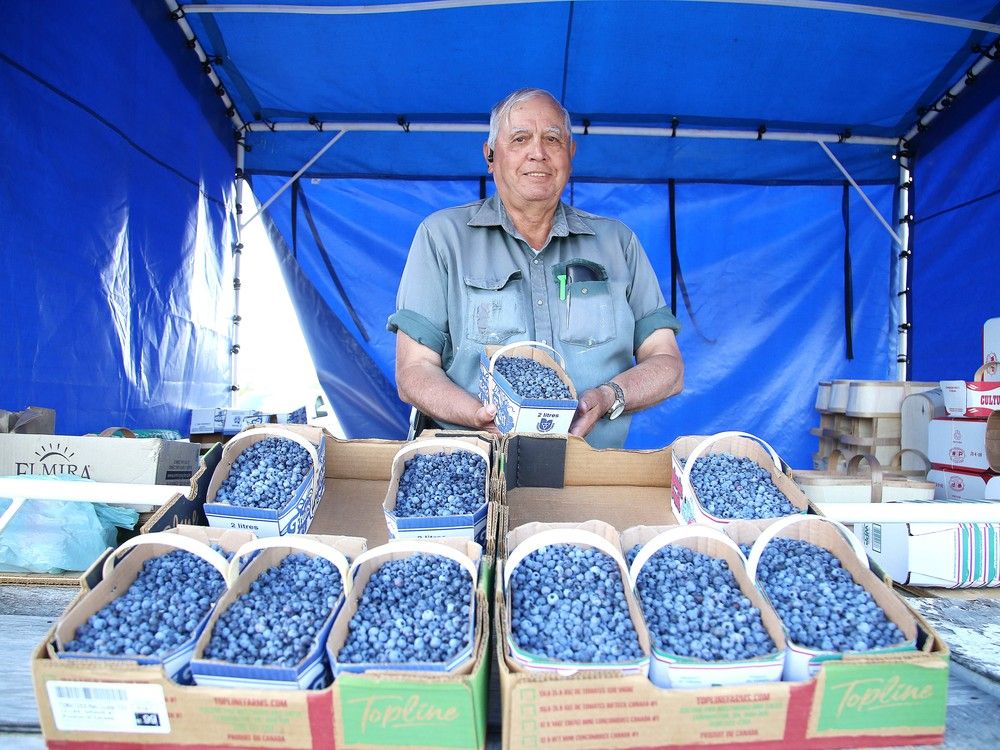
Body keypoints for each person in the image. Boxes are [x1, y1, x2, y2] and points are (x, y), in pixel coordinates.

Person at [387, 88, 683, 448]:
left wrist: (609, 396)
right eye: (520, 138)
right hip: (478, 464)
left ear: (570, 153)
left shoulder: (618, 243)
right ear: (490, 155)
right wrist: (476, 415)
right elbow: (414, 369)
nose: (538, 153)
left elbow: (667, 362)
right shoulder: (442, 238)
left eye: (553, 139)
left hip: (592, 466)